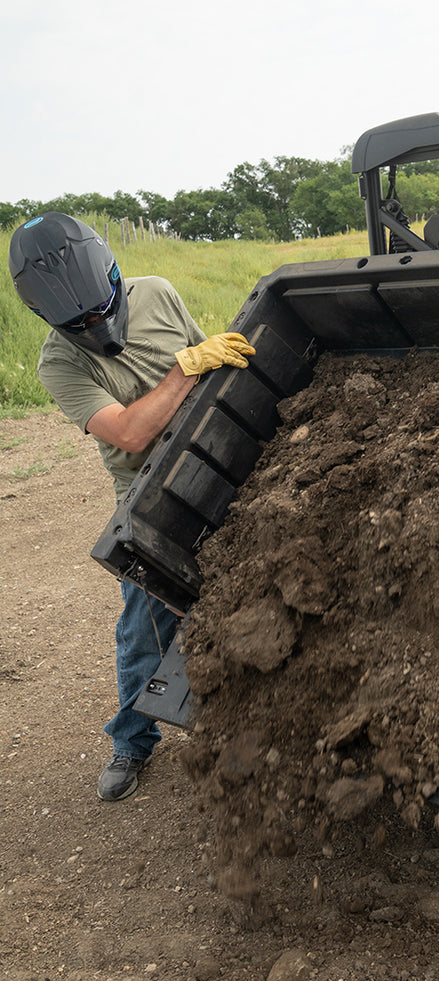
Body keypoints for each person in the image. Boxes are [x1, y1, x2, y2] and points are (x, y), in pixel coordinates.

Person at [8, 213, 255, 802]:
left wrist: (211, 360)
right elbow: (128, 432)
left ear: (114, 277)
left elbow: (211, 363)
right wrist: (180, 370)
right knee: (147, 624)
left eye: (99, 311)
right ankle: (132, 741)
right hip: (148, 491)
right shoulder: (58, 363)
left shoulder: (159, 293)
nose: (94, 325)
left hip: (215, 454)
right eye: (77, 323)